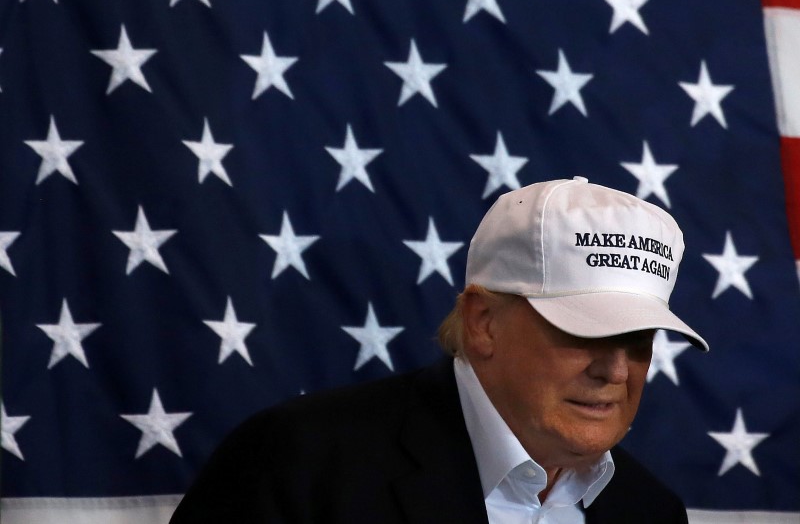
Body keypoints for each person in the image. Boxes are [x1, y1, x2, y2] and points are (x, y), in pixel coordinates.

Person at [170, 176, 708, 523]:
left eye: (638, 340)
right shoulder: (300, 463)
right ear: (483, 323)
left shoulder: (649, 512)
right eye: (585, 331)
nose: (615, 369)